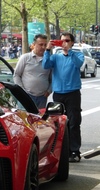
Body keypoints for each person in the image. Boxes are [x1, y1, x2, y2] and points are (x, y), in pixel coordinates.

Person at [42, 32, 84, 162]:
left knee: (74, 122)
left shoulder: (77, 54)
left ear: (72, 42)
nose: (64, 43)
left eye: (67, 40)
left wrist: (69, 52)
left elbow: (78, 64)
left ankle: (74, 151)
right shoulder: (56, 57)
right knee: (58, 123)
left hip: (73, 93)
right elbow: (45, 65)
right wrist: (48, 49)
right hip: (59, 93)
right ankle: (60, 150)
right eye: (62, 41)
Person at [13, 34, 52, 109]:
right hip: (26, 97)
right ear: (34, 45)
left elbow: (53, 78)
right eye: (40, 44)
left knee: (39, 119)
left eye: (45, 45)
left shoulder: (48, 60)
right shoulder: (25, 58)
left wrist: (49, 90)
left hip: (42, 97)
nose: (43, 47)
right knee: (25, 119)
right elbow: (17, 75)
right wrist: (22, 91)